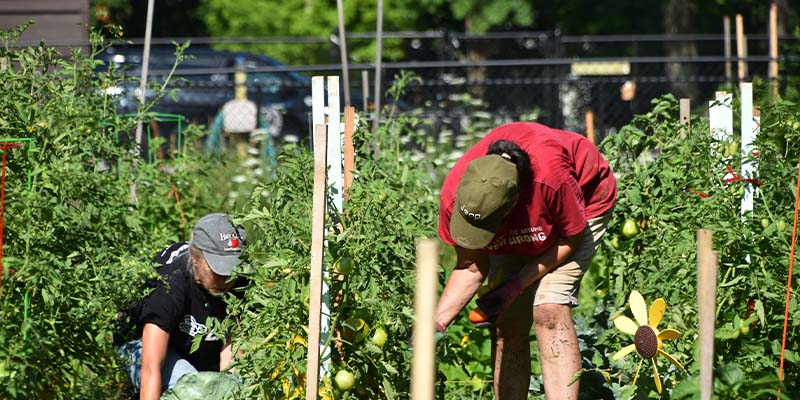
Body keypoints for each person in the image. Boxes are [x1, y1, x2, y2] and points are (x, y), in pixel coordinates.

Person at [433, 122, 617, 399]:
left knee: (549, 308)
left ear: (514, 206)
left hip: (580, 209)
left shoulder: (550, 179)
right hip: (530, 220)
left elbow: (571, 238)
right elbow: (471, 266)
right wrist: (436, 323)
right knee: (507, 322)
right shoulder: (458, 195)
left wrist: (515, 285)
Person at [117, 213, 249, 399]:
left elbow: (233, 354)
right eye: (218, 269)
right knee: (195, 390)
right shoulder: (171, 284)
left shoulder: (241, 281)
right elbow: (150, 367)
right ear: (196, 257)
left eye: (232, 269)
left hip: (198, 351)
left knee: (236, 387)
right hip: (140, 348)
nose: (227, 279)